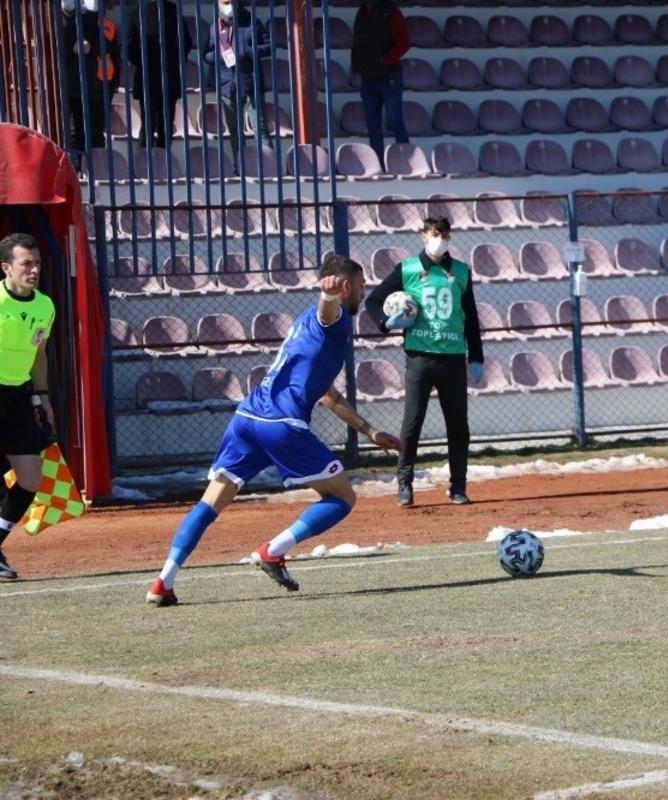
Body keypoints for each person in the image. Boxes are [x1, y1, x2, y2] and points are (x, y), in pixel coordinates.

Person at [145, 254, 403, 607]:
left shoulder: (303, 323)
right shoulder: (336, 317)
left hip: (247, 419)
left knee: (211, 501)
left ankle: (163, 581)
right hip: (282, 425)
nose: (363, 292)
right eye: (359, 287)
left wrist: (370, 431)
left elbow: (327, 395)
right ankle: (273, 551)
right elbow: (329, 312)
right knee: (343, 497)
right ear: (345, 286)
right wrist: (328, 296)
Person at [364, 217, 484, 507]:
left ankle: (458, 486)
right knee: (412, 423)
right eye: (434, 234)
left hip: (453, 358)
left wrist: (476, 356)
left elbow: (471, 318)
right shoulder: (407, 269)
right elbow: (373, 300)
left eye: (444, 235)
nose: (439, 239)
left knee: (458, 425)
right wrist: (385, 322)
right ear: (423, 236)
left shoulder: (461, 271)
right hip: (419, 357)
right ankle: (404, 484)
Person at [0, 234, 57, 580]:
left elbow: (39, 356)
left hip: (19, 397)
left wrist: (44, 397)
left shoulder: (45, 306)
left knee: (31, 477)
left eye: (37, 263)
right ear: (6, 268)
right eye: (26, 264)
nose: (34, 270)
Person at [203, 0, 272, 167]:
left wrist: (246, 51)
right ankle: (241, 165)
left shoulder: (252, 22)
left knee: (260, 128)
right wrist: (221, 55)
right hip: (227, 85)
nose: (226, 5)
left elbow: (269, 46)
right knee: (235, 131)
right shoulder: (216, 26)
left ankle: (269, 165)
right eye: (223, 2)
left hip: (250, 83)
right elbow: (207, 55)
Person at [350, 0, 411, 163]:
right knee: (372, 122)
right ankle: (378, 162)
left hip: (389, 76)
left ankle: (406, 160)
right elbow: (357, 41)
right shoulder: (361, 12)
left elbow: (404, 44)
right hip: (368, 77)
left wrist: (385, 61)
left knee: (394, 119)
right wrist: (356, 64)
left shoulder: (392, 13)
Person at [127, 0, 192, 150]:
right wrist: (144, 60)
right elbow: (129, 44)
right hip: (146, 77)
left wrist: (172, 58)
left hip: (169, 76)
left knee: (166, 126)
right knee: (147, 126)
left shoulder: (173, 9)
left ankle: (164, 166)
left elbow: (185, 41)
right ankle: (145, 165)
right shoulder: (135, 11)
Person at [60, 0, 107, 155]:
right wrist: (70, 48)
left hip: (86, 84)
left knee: (85, 131)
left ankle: (84, 167)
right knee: (64, 131)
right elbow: (49, 46)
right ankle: (70, 166)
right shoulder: (55, 18)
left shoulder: (87, 18)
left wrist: (90, 46)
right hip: (63, 85)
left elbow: (102, 44)